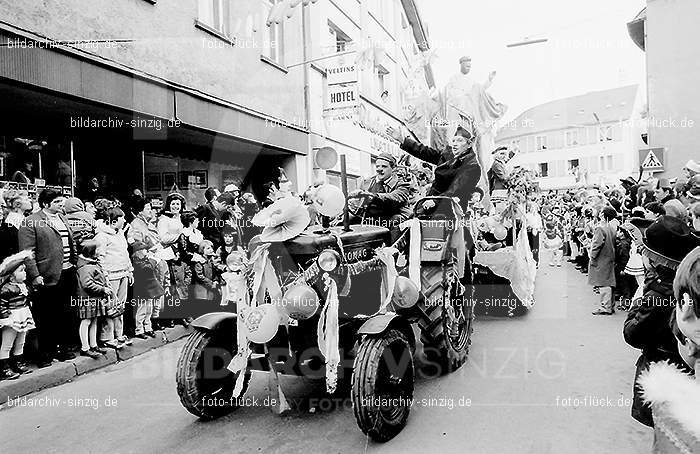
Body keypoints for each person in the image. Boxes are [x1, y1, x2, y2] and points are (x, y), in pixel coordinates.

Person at [623, 216, 700, 427]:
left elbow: (632, 334)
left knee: (669, 432)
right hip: (687, 372)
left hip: (666, 372)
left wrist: (638, 301)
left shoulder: (658, 294)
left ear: (656, 259)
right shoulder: (692, 280)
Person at [18, 188, 77, 367]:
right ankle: (44, 354)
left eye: (62, 202)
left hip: (67, 271)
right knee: (46, 315)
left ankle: (63, 348)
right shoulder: (31, 222)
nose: (62, 205)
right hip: (46, 275)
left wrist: (73, 262)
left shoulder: (62, 218)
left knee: (65, 312)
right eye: (57, 202)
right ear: (45, 204)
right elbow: (28, 252)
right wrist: (35, 275)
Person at [387, 125, 482, 213]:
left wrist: (436, 201)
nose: (455, 144)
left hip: (451, 208)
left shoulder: (472, 166)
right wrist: (403, 140)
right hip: (431, 201)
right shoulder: (448, 155)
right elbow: (424, 152)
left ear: (469, 144)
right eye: (454, 141)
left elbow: (457, 189)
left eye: (460, 141)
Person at [94, 206, 133, 349]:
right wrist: (105, 277)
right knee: (110, 307)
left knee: (120, 306)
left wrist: (130, 271)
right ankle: (107, 337)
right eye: (122, 218)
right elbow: (100, 257)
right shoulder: (101, 236)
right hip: (111, 275)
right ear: (115, 221)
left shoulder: (120, 234)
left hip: (123, 273)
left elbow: (125, 253)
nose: (125, 220)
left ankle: (119, 334)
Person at [348, 152, 411, 231]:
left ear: (393, 168)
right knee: (348, 220)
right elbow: (358, 204)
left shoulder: (402, 184)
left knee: (395, 220)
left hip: (392, 216)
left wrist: (372, 196)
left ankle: (394, 243)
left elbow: (395, 197)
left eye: (384, 166)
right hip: (372, 218)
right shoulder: (367, 182)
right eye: (377, 166)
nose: (379, 169)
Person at [0, 251, 35, 380]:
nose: (25, 273)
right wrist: (5, 318)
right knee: (7, 343)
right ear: (11, 276)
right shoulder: (6, 289)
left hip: (23, 315)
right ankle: (4, 367)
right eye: (21, 271)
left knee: (21, 341)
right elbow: (2, 305)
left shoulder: (24, 286)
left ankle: (18, 362)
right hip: (12, 318)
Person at [74, 241, 111, 358]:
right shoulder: (86, 267)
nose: (100, 252)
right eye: (97, 250)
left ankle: (93, 345)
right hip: (88, 298)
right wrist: (103, 289)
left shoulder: (90, 264)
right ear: (91, 253)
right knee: (86, 322)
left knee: (94, 321)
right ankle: (85, 347)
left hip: (93, 298)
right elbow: (87, 284)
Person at [589, 206, 618, 315]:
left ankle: (605, 307)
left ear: (602, 215)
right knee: (610, 282)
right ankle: (611, 305)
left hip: (601, 258)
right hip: (610, 257)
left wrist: (592, 257)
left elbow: (597, 245)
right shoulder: (611, 228)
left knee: (603, 283)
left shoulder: (600, 228)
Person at [0, 190, 32, 260]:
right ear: (17, 204)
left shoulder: (20, 218)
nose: (30, 200)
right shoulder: (14, 221)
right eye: (26, 199)